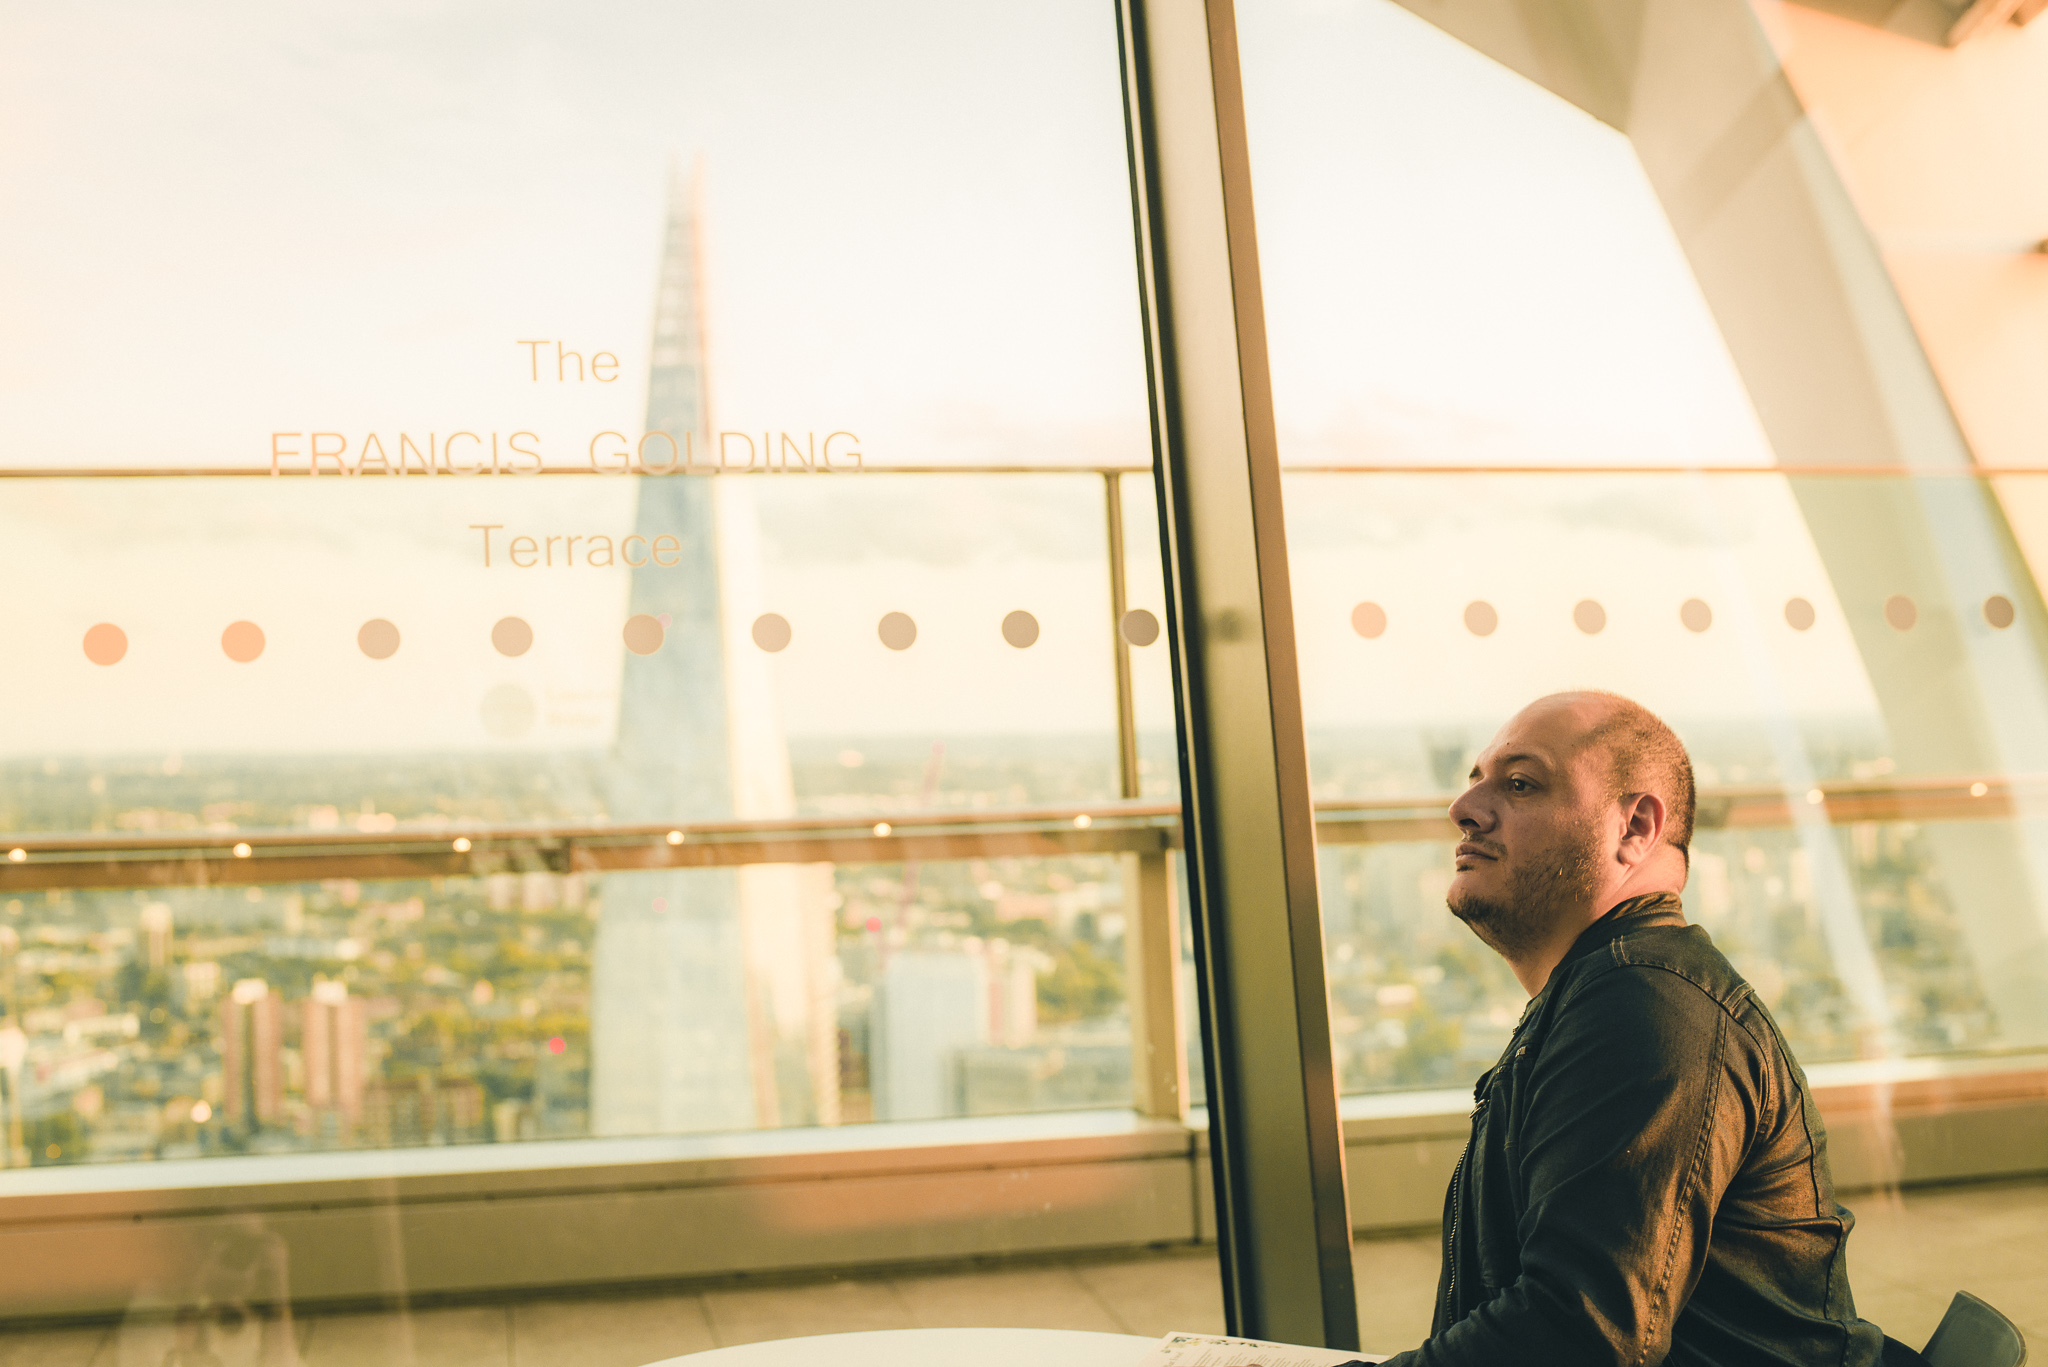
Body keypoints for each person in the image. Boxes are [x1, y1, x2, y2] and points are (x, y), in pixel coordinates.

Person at [1383, 691, 1910, 1367]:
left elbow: (1578, 1335)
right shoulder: (1606, 989)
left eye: (1519, 783)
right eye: (1476, 780)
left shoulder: (1646, 1006)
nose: (1465, 808)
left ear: (1635, 828)